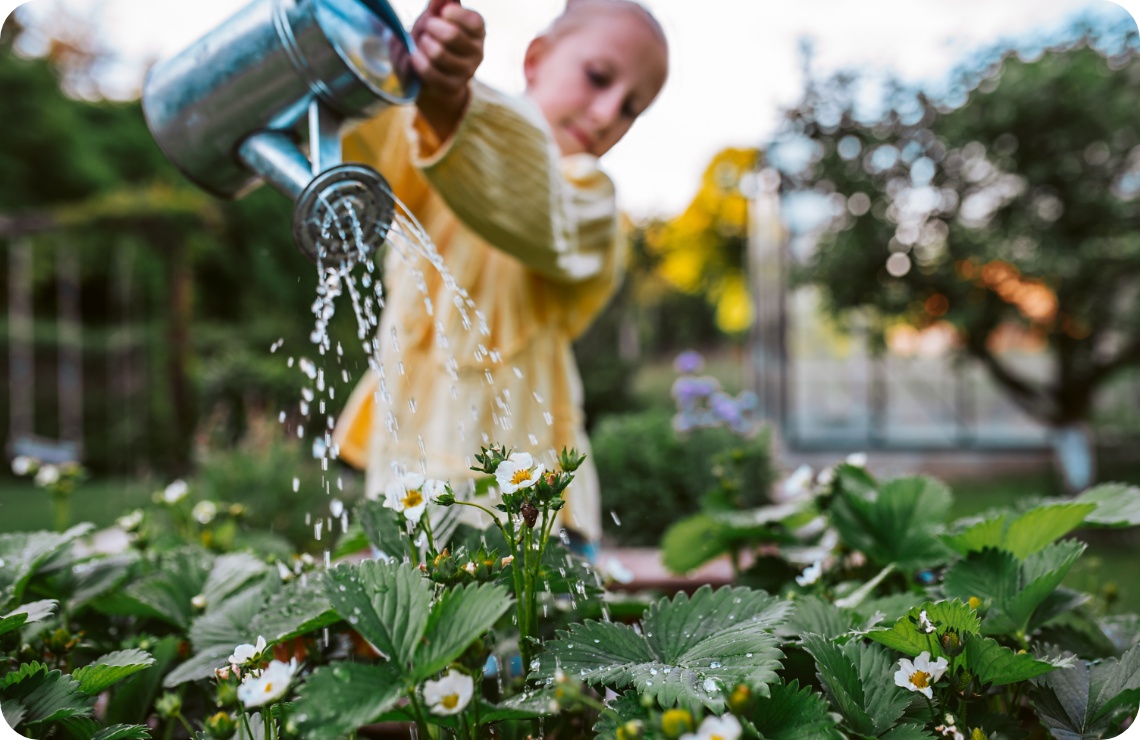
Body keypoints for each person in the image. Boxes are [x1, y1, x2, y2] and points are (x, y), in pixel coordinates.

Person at [333, 0, 669, 554]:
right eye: (598, 77)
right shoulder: (429, 140)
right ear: (536, 58)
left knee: (539, 641)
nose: (608, 112)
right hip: (408, 491)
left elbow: (532, 209)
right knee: (412, 638)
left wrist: (452, 106)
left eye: (632, 108)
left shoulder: (591, 202)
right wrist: (408, 68)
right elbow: (370, 133)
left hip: (535, 517)